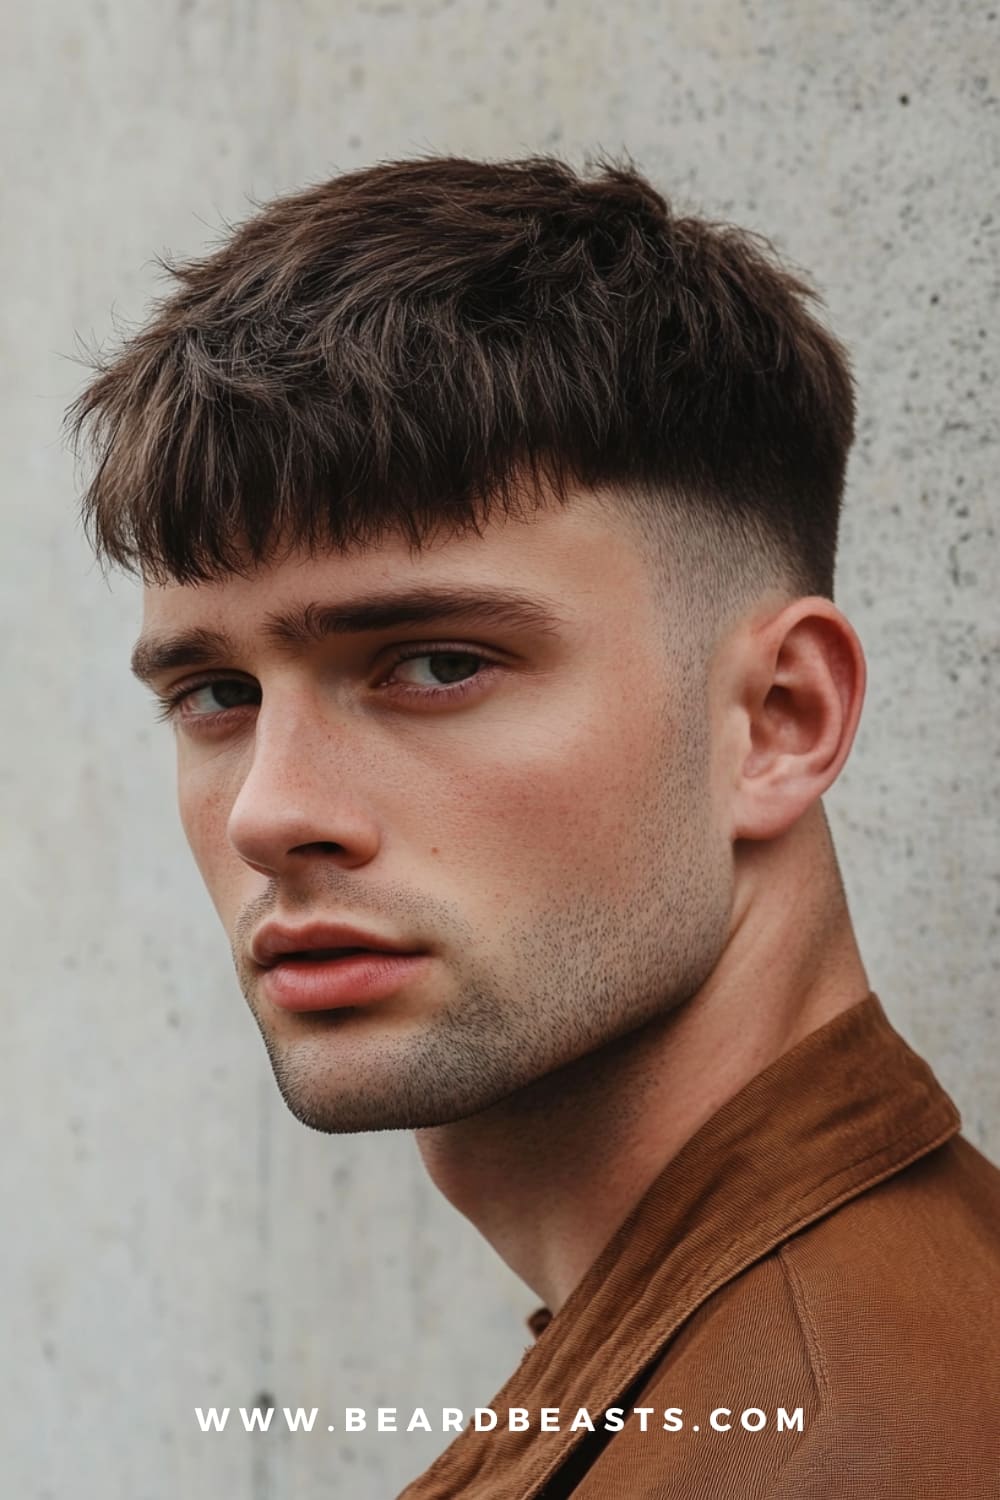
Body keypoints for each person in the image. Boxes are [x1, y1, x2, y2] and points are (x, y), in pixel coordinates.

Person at [69, 153, 1000, 1498]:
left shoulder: (854, 1451)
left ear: (781, 718)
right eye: (215, 692)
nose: (272, 813)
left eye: (437, 664)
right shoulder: (717, 1372)